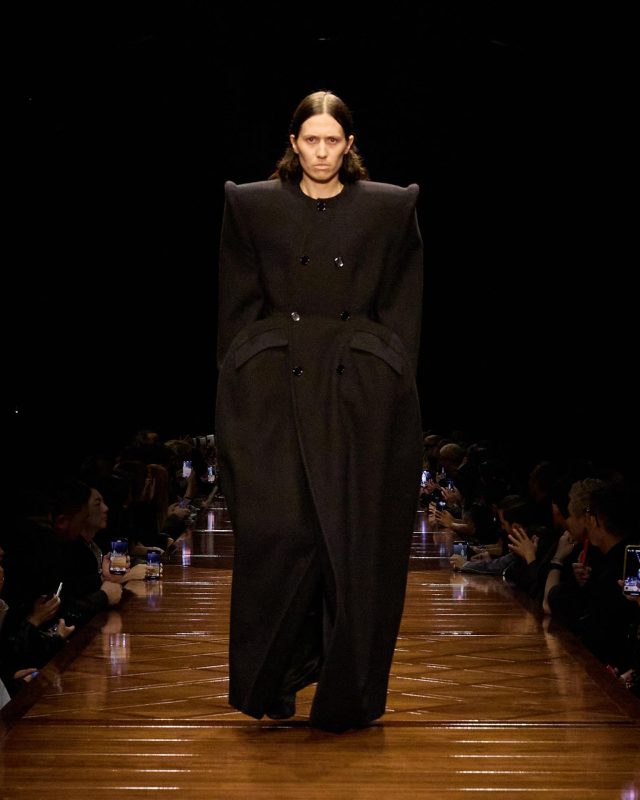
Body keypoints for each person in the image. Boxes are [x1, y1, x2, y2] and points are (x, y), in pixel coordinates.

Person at [215, 90, 423, 732]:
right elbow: (236, 308)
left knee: (355, 543)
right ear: (293, 142)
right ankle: (275, 679)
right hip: (275, 390)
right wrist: (242, 374)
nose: (323, 152)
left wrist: (387, 371)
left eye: (334, 141)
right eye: (312, 140)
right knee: (279, 534)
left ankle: (345, 692)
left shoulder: (390, 208)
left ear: (350, 145)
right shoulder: (252, 205)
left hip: (357, 393)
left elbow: (403, 306)